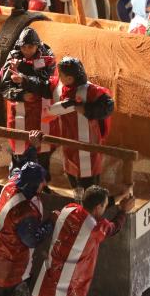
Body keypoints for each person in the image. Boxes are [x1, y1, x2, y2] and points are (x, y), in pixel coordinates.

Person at [0, 140, 53, 296]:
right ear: (32, 186)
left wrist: (33, 147)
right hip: (7, 273)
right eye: (41, 181)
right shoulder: (23, 211)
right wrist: (52, 221)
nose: (44, 183)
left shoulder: (12, 184)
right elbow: (32, 239)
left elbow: (23, 167)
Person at [31, 185, 134, 296]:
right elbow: (114, 227)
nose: (105, 208)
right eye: (104, 205)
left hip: (48, 280)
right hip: (67, 290)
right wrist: (123, 211)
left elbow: (92, 208)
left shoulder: (68, 209)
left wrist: (119, 196)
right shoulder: (94, 229)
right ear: (98, 207)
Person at [48, 57, 113, 200]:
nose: (59, 78)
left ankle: (91, 210)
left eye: (62, 75)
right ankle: (78, 203)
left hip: (87, 145)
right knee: (74, 181)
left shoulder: (90, 91)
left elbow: (109, 106)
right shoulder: (62, 87)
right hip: (69, 144)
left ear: (70, 78)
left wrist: (86, 109)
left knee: (90, 186)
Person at [0, 28, 57, 175]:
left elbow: (48, 86)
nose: (26, 50)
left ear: (37, 46)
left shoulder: (48, 59)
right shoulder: (13, 58)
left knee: (42, 149)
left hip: (41, 113)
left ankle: (42, 181)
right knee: (19, 148)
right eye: (23, 47)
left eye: (30, 47)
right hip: (19, 112)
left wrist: (24, 79)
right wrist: (21, 95)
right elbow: (5, 87)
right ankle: (17, 178)